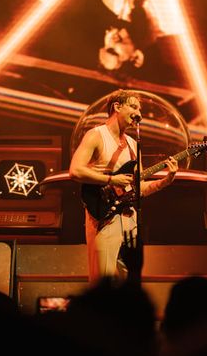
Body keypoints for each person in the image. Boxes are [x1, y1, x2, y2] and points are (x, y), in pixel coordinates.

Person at [68, 90, 178, 283]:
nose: (139, 113)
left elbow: (140, 188)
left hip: (129, 218)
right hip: (104, 215)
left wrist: (166, 180)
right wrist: (111, 180)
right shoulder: (95, 135)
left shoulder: (133, 144)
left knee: (129, 281)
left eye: (139, 109)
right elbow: (75, 171)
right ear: (117, 107)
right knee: (103, 280)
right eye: (133, 107)